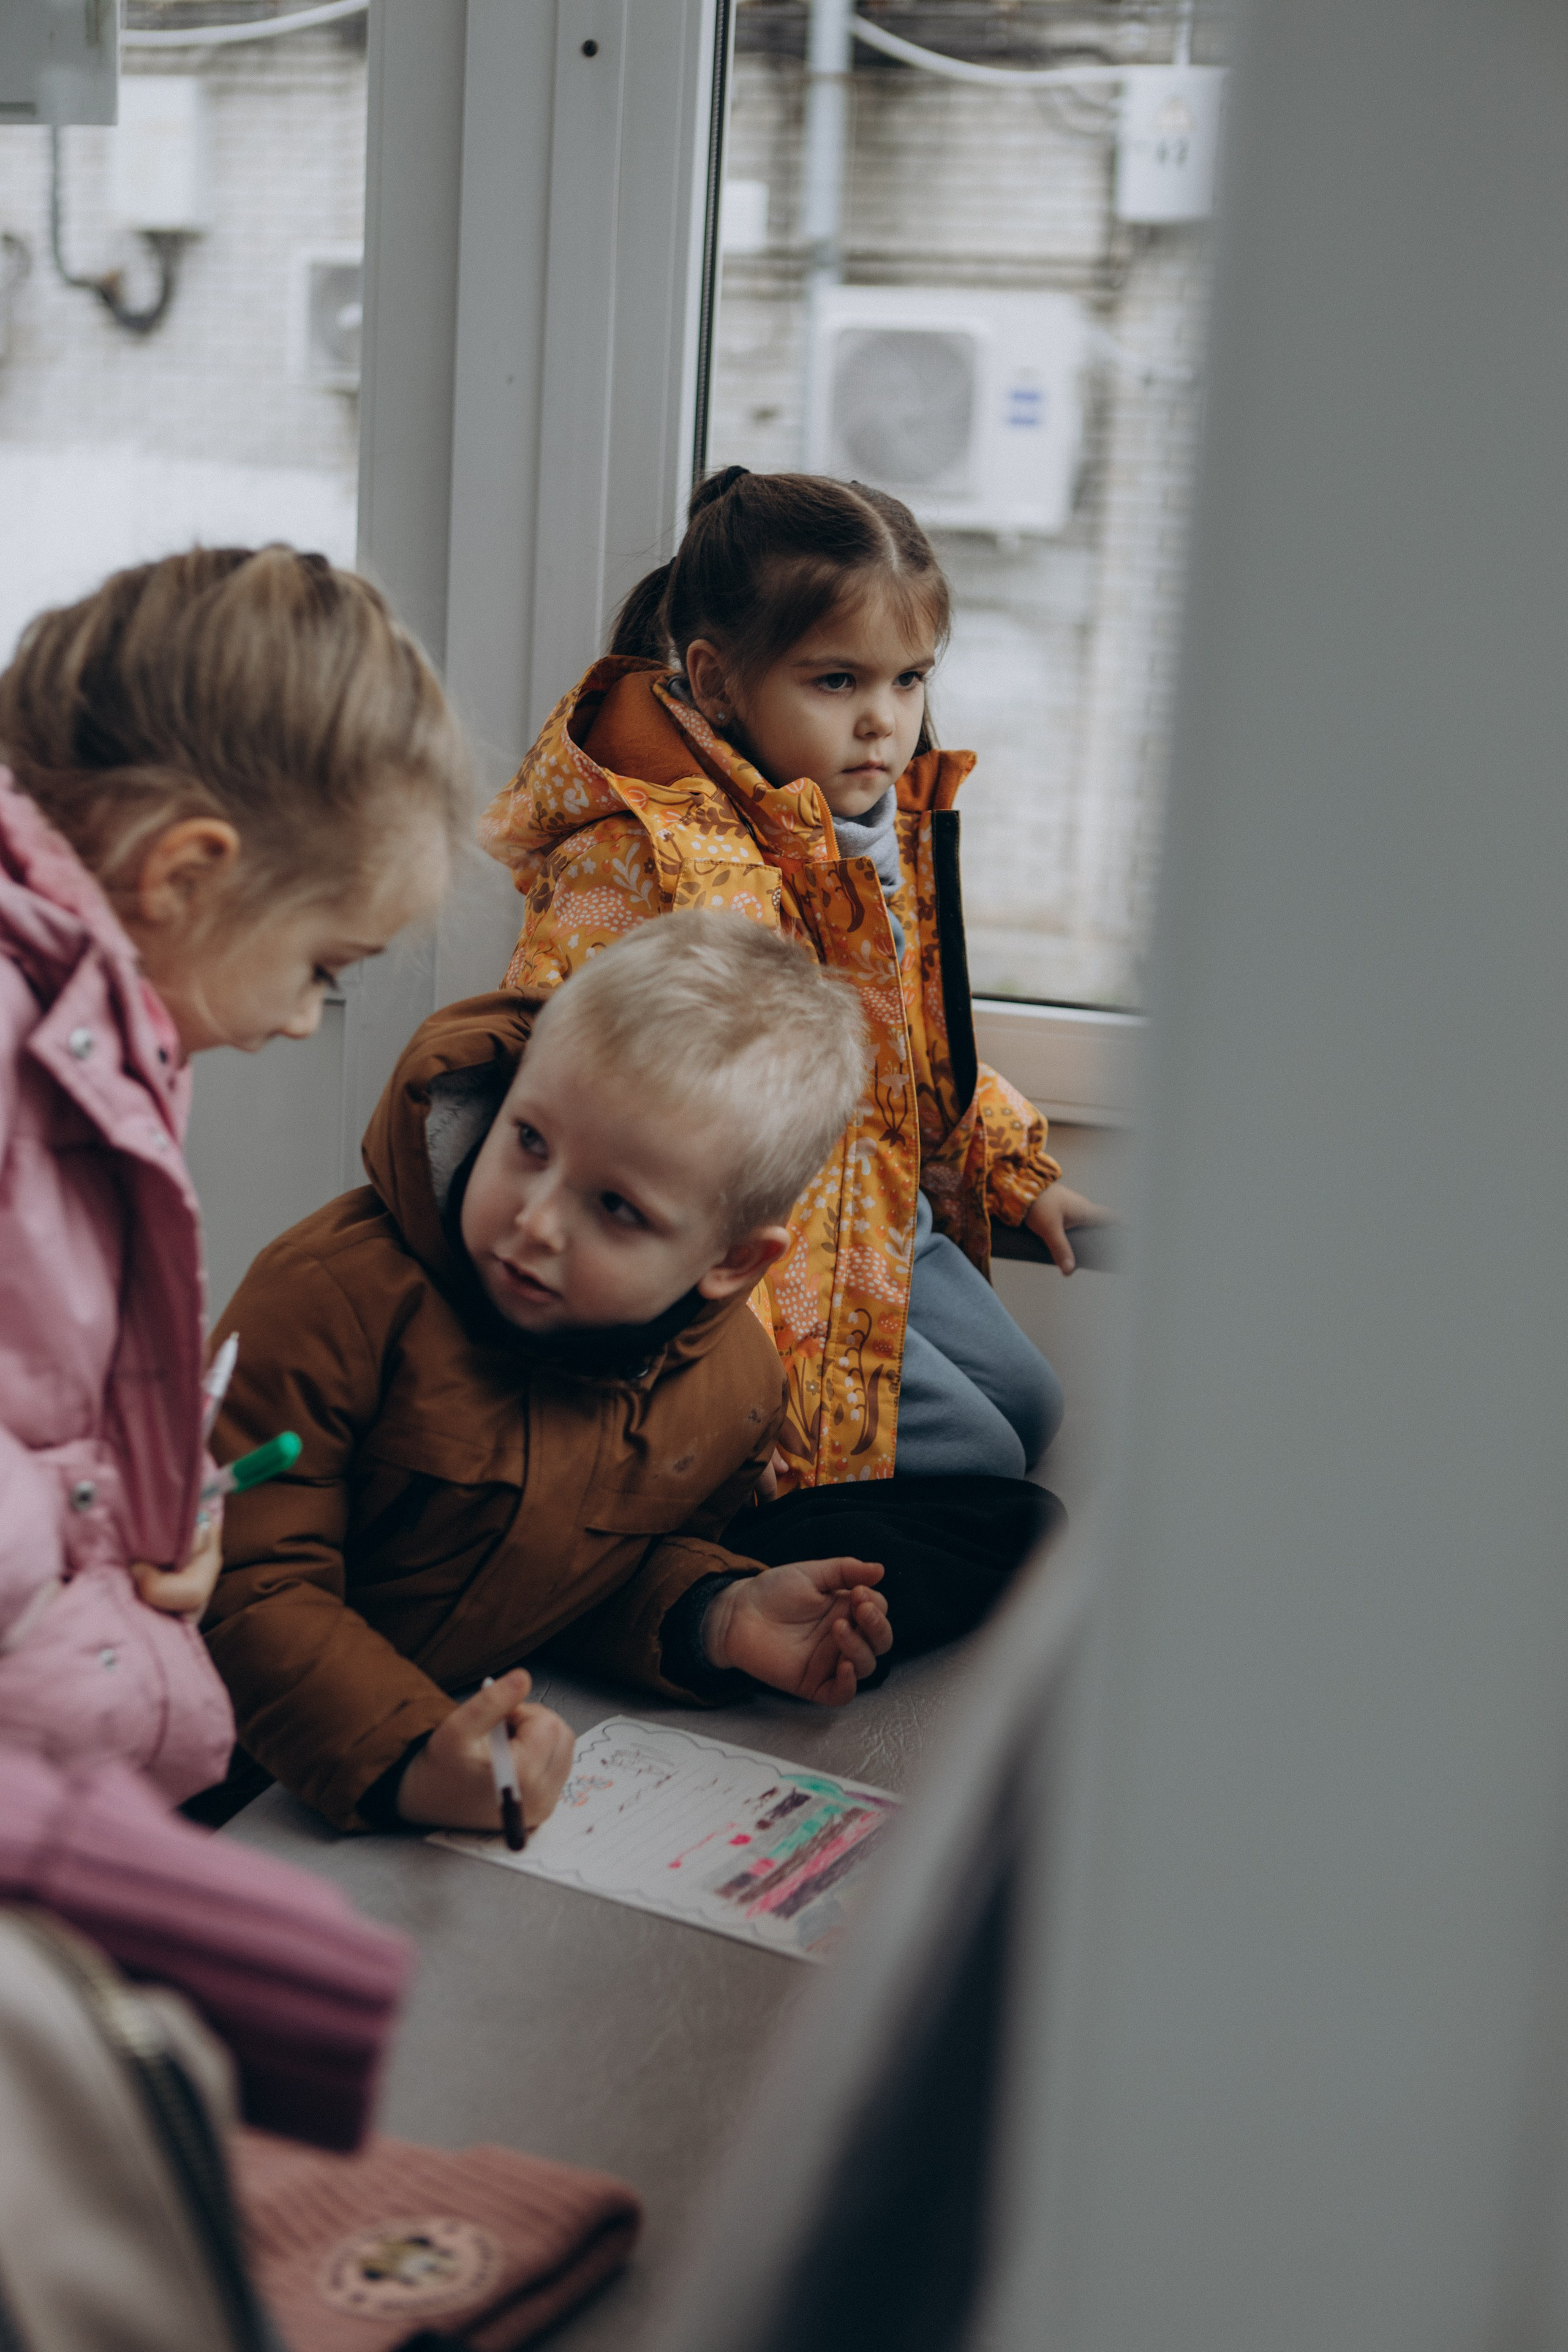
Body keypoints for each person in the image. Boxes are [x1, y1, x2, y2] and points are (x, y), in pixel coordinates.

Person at [478, 466, 1112, 1493]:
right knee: (986, 1465)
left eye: (909, 680)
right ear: (719, 681)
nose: (884, 722)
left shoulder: (872, 826)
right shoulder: (645, 855)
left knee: (1035, 1411)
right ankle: (757, 1548)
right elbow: (565, 1063)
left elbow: (897, 1033)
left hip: (882, 1202)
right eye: (837, 682)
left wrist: (1007, 1160)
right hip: (783, 1249)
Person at [202, 914, 894, 1838]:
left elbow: (582, 1585)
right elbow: (243, 1579)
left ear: (729, 1261)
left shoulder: (738, 1393)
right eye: (528, 1140)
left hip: (388, 1803)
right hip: (164, 1767)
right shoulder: (331, 1299)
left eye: (615, 1205)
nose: (534, 1221)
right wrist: (412, 1756)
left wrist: (715, 1614)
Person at [0, 545, 464, 1804]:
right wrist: (114, 1525)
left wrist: (169, 1503)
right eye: (326, 964)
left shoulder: (103, 1029)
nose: (310, 1018)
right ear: (188, 874)